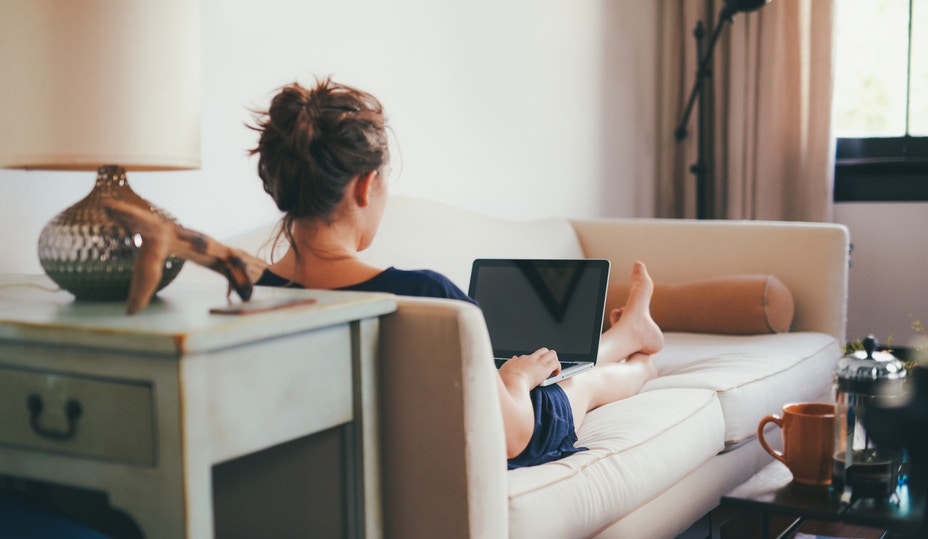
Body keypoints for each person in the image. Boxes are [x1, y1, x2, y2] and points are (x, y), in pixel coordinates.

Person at [105, 77, 664, 469]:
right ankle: (636, 349)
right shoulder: (431, 298)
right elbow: (511, 437)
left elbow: (263, 272)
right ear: (366, 186)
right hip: (505, 417)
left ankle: (625, 334)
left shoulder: (263, 296)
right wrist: (516, 379)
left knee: (559, 366)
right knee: (581, 383)